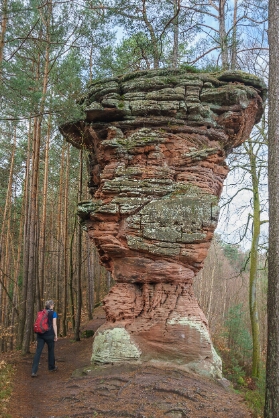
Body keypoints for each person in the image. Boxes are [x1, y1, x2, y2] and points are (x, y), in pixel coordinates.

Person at [31, 300, 58, 377]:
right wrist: (56, 335)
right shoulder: (53, 313)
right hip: (49, 335)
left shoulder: (41, 312)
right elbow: (54, 325)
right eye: (53, 304)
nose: (53, 306)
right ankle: (51, 367)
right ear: (51, 305)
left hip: (40, 335)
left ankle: (34, 371)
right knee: (51, 350)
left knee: (38, 352)